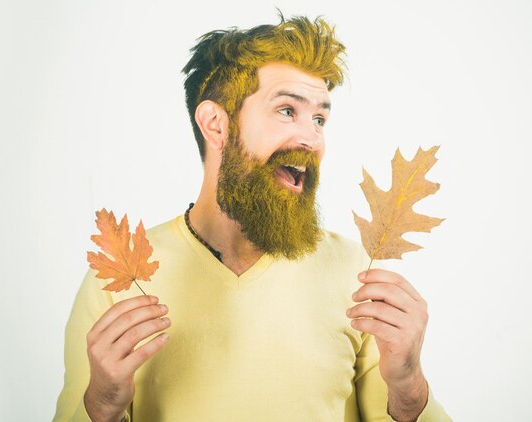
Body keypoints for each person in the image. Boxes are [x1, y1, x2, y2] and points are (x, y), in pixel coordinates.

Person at [54, 14, 451, 422]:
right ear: (216, 124)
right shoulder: (117, 280)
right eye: (286, 111)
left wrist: (409, 386)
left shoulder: (357, 276)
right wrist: (101, 403)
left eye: (319, 119)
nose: (312, 138)